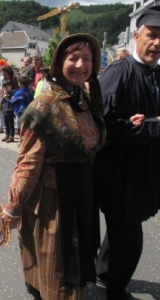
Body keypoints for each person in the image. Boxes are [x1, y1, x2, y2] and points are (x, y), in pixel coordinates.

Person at [1, 33, 106, 300]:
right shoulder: (45, 105)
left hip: (81, 193)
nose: (81, 65)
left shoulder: (83, 98)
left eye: (87, 59)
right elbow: (28, 161)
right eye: (73, 58)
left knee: (74, 264)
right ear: (59, 62)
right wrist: (13, 208)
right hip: (55, 200)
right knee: (59, 272)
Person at [93, 6, 160, 300]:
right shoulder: (120, 72)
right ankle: (116, 291)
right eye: (153, 36)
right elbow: (103, 123)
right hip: (119, 174)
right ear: (137, 36)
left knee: (120, 229)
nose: (157, 43)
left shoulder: (155, 74)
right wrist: (151, 127)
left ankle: (104, 274)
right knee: (130, 240)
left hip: (143, 170)